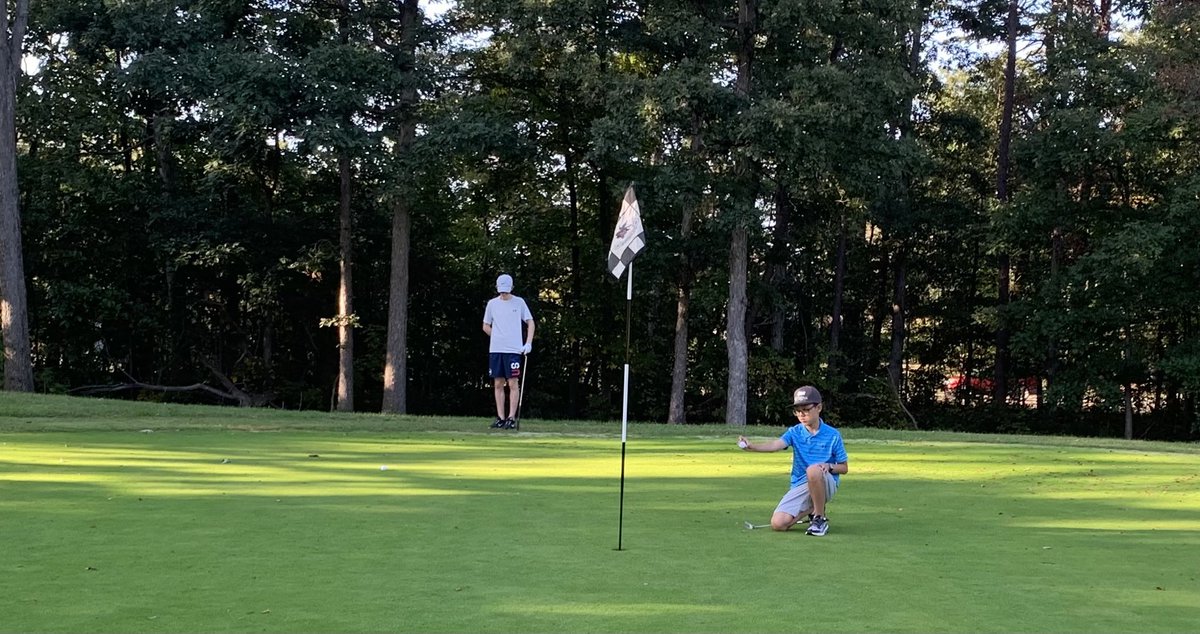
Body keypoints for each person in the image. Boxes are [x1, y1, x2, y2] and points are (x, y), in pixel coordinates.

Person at [737, 386, 848, 536]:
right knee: (778, 524)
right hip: (800, 484)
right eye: (798, 411)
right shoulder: (794, 432)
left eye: (806, 409)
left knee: (813, 470)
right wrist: (752, 446)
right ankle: (813, 509)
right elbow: (775, 445)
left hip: (825, 482)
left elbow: (844, 468)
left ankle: (819, 519)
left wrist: (828, 466)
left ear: (819, 407)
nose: (801, 414)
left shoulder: (833, 435)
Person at [482, 273, 535, 429]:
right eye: (501, 291)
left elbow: (530, 322)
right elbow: (485, 326)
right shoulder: (492, 304)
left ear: (511, 288)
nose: (504, 294)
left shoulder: (519, 303)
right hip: (496, 349)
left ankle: (511, 418)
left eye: (506, 290)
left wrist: (528, 343)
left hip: (514, 349)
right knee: (498, 382)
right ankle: (500, 417)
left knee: (513, 382)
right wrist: (497, 335)